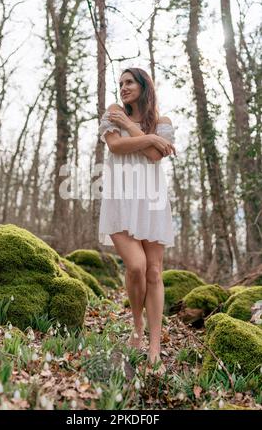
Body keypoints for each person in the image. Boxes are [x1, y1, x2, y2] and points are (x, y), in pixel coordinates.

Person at [98, 67, 176, 367]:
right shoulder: (113, 112)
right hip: (120, 201)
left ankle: (154, 342)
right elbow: (115, 147)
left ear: (144, 86)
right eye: (120, 83)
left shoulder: (163, 122)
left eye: (129, 82)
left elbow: (156, 157)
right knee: (136, 266)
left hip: (152, 202)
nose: (123, 87)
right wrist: (151, 140)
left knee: (154, 272)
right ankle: (137, 325)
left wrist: (133, 130)